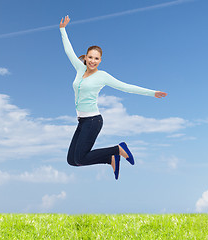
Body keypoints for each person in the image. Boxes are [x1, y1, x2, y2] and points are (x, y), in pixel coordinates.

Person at [60, 15, 167, 180]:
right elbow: (69, 51)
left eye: (96, 58)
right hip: (82, 122)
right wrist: (63, 29)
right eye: (90, 57)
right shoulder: (79, 69)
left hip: (93, 121)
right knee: (72, 161)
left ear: (100, 60)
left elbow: (126, 87)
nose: (92, 61)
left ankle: (117, 149)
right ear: (86, 57)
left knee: (80, 158)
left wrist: (152, 93)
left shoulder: (102, 76)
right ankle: (110, 158)